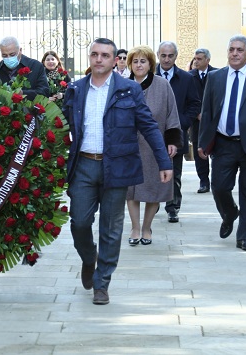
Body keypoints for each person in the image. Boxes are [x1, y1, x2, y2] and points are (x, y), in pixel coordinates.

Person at [63, 38, 173, 305]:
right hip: (84, 166)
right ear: (89, 58)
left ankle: (102, 283)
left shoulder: (128, 90)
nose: (99, 59)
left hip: (118, 166)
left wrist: (164, 162)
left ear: (115, 61)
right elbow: (60, 126)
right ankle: (90, 259)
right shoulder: (75, 90)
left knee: (111, 228)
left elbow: (148, 126)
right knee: (79, 222)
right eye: (94, 54)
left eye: (105, 55)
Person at [198, 34, 246, 252]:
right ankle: (230, 213)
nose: (234, 53)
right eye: (231, 49)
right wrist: (203, 142)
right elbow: (208, 111)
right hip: (223, 144)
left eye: (239, 50)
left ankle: (245, 236)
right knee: (219, 187)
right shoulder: (215, 77)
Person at [125, 46, 181, 246]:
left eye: (143, 61)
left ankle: (147, 227)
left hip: (155, 147)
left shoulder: (162, 85)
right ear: (130, 64)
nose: (139, 65)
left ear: (150, 64)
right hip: (129, 146)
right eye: (135, 61)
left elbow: (171, 114)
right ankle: (135, 227)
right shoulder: (122, 85)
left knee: (154, 188)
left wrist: (173, 140)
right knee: (130, 190)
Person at [157, 40, 201, 223]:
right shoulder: (148, 76)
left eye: (170, 55)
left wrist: (182, 122)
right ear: (158, 55)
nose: (167, 59)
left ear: (176, 56)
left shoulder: (186, 78)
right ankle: (151, 203)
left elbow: (194, 104)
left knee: (174, 172)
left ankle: (173, 206)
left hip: (176, 133)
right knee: (152, 172)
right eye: (163, 55)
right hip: (152, 133)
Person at [188, 48, 216, 193]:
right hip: (197, 122)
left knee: (216, 151)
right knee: (200, 152)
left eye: (199, 59)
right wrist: (196, 114)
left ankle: (217, 180)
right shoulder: (189, 76)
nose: (196, 61)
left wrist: (210, 114)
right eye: (195, 58)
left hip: (215, 122)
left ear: (207, 60)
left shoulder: (217, 74)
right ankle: (204, 181)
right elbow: (187, 99)